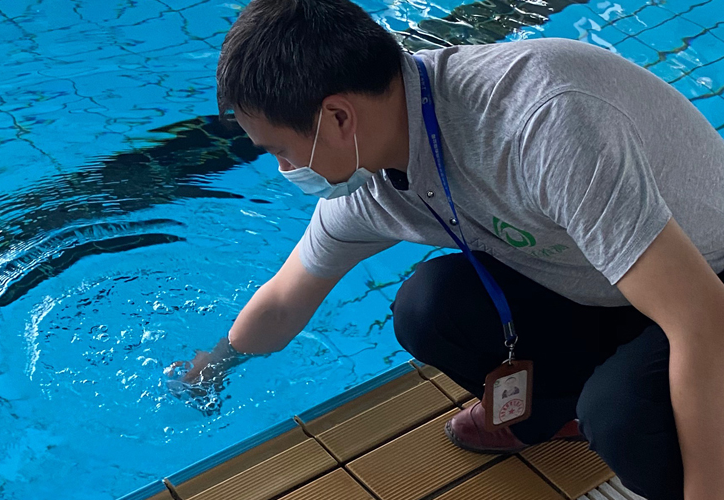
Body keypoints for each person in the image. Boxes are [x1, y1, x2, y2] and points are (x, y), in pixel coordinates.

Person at [169, 0, 724, 498]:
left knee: (624, 417)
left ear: (338, 118)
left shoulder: (538, 125)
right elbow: (285, 299)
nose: (284, 169)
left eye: (281, 150)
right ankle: (551, 415)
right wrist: (213, 366)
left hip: (706, 283)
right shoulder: (375, 175)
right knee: (428, 307)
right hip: (604, 287)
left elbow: (700, 317)